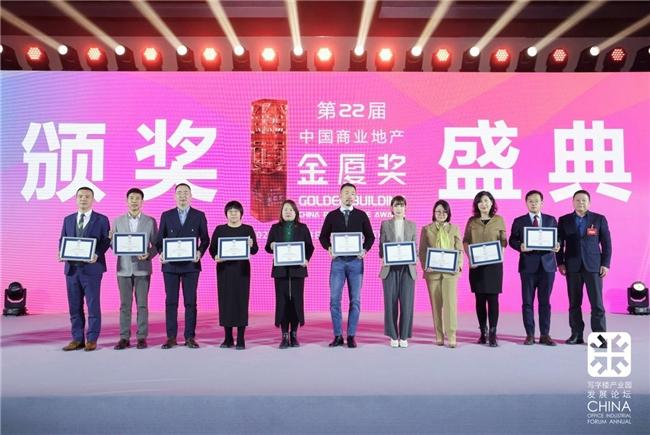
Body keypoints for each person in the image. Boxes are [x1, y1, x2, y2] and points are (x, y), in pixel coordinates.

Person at [319, 183, 375, 348]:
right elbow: (323, 237)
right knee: (334, 300)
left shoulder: (361, 215)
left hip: (356, 262)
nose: (349, 196)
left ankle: (351, 336)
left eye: (352, 193)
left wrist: (365, 250)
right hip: (338, 262)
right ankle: (337, 335)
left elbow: (370, 237)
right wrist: (329, 248)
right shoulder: (332, 215)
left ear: (355, 196)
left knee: (355, 300)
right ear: (340, 195)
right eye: (346, 192)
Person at [156, 183, 210, 349]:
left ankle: (189, 337)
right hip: (170, 266)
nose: (182, 195)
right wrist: (162, 253)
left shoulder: (199, 215)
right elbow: (159, 240)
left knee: (190, 302)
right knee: (171, 302)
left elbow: (205, 239)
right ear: (174, 196)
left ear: (191, 196)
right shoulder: (166, 215)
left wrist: (200, 252)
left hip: (191, 266)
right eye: (179, 192)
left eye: (186, 192)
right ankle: (171, 337)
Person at [556, 190, 611, 344]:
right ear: (573, 202)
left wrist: (605, 264)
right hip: (572, 266)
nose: (581, 203)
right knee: (574, 303)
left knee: (597, 304)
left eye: (584, 200)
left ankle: (599, 338)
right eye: (578, 200)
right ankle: (576, 334)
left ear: (589, 203)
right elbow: (559, 243)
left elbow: (606, 243)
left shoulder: (599, 219)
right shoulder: (564, 220)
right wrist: (560, 262)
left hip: (593, 266)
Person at [59, 186, 111, 352]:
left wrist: (97, 253)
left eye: (87, 196)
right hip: (72, 269)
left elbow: (106, 241)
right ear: (76, 199)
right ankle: (77, 339)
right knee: (74, 306)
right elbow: (62, 239)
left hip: (92, 269)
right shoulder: (68, 219)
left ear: (92, 199)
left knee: (93, 305)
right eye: (80, 196)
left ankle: (92, 339)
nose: (83, 199)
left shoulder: (102, 219)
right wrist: (61, 252)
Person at [509, 190, 559, 346]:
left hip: (547, 266)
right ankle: (530, 334)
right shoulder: (519, 221)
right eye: (530, 201)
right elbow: (512, 240)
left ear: (542, 203)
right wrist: (520, 246)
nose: (533, 203)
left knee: (545, 302)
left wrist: (558, 245)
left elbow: (558, 238)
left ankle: (545, 334)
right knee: (527, 301)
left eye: (536, 201)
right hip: (528, 266)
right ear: (526, 203)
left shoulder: (551, 220)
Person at [110, 188, 158, 350]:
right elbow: (113, 244)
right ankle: (124, 337)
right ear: (127, 201)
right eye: (131, 198)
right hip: (123, 268)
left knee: (142, 304)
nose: (134, 201)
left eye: (138, 198)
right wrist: (113, 242)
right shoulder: (118, 221)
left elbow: (156, 244)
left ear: (142, 202)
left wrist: (149, 254)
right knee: (125, 305)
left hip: (142, 268)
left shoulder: (150, 221)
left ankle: (142, 337)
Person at [265, 200, 315, 349]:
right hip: (280, 272)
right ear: (281, 212)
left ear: (296, 213)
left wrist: (306, 259)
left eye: (291, 210)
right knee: (282, 303)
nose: (288, 212)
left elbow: (310, 247)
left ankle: (294, 334)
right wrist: (272, 245)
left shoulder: (303, 228)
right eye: (285, 210)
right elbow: (267, 247)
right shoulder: (275, 228)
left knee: (296, 303)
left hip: (297, 271)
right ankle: (284, 336)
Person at [209, 201, 259, 350]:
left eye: (236, 211)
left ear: (241, 213)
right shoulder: (220, 229)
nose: (233, 214)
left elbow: (255, 250)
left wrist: (251, 245)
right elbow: (212, 249)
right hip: (224, 270)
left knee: (241, 302)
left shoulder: (247, 229)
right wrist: (216, 256)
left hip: (242, 271)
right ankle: (228, 338)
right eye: (230, 211)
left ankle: (241, 338)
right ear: (226, 214)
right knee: (225, 302)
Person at [463, 191, 507, 347]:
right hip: (477, 266)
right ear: (477, 204)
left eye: (486, 201)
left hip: (494, 266)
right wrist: (470, 259)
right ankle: (483, 332)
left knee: (493, 300)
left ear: (491, 202)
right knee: (480, 300)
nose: (484, 204)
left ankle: (493, 333)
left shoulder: (499, 220)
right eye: (480, 201)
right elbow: (466, 241)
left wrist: (501, 255)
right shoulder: (472, 221)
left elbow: (503, 241)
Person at [419, 199, 463, 348]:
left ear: (448, 213)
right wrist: (426, 265)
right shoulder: (426, 229)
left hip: (450, 273)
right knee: (436, 306)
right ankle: (439, 335)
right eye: (438, 211)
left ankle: (452, 335)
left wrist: (459, 265)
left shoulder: (454, 228)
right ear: (434, 213)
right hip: (433, 273)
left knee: (450, 305)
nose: (441, 214)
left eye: (444, 211)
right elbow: (422, 250)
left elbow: (459, 249)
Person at [378, 195, 417, 348]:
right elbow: (381, 246)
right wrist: (386, 255)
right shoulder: (385, 224)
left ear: (405, 208)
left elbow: (415, 247)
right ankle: (393, 335)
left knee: (407, 303)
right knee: (390, 302)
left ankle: (404, 336)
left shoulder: (412, 225)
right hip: (390, 268)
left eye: (401, 205)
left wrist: (413, 256)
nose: (399, 208)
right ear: (391, 208)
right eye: (396, 205)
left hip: (407, 268)